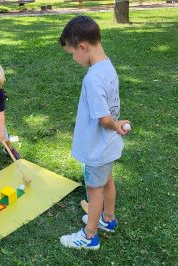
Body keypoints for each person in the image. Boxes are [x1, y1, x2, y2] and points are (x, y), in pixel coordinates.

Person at [58, 15, 130, 249]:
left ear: (82, 47)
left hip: (97, 147)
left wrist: (116, 125)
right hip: (107, 146)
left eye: (71, 54)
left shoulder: (92, 78)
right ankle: (107, 219)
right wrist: (117, 125)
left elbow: (104, 118)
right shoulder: (108, 66)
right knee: (107, 181)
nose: (73, 59)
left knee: (94, 189)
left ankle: (89, 236)